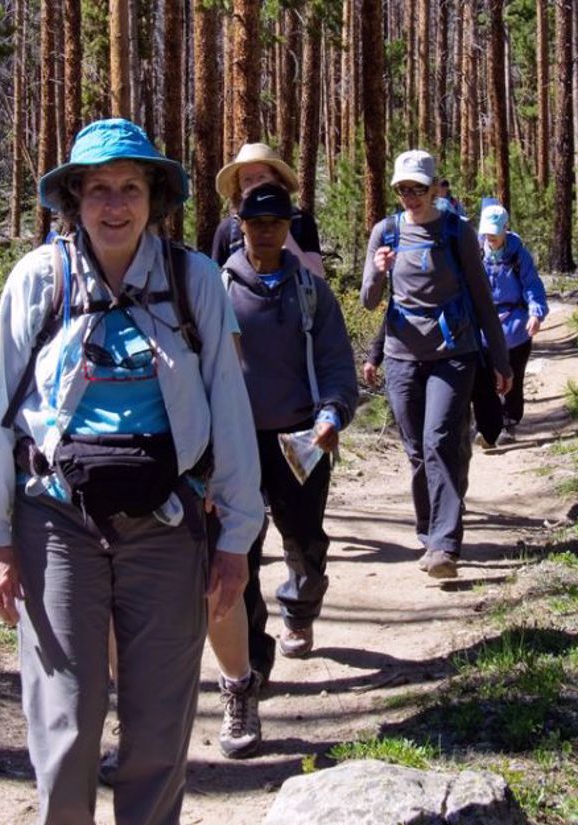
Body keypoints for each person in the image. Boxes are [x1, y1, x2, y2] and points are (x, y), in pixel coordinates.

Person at [0, 118, 263, 825]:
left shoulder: (194, 281)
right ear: (73, 199)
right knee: (66, 727)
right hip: (56, 523)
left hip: (168, 526)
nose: (114, 204)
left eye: (129, 187)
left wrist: (236, 539)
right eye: (97, 188)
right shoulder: (39, 279)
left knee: (159, 731)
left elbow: (230, 407)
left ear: (153, 197)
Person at [209, 182, 359, 757]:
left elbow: (336, 363)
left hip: (302, 438)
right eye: (257, 221)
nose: (267, 231)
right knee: (237, 557)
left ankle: (300, 604)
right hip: (235, 445)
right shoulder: (215, 290)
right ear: (239, 224)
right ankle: (249, 664)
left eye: (277, 222)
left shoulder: (311, 292)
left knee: (302, 539)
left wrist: (333, 413)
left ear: (289, 227)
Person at [361, 150, 511, 580]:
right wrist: (377, 270)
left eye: (418, 189)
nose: (411, 197)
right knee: (416, 450)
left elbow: (482, 296)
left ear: (433, 188)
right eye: (403, 190)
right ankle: (429, 533)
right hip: (402, 357)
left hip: (454, 353)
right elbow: (369, 301)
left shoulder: (456, 231)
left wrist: (499, 358)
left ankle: (445, 544)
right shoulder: (385, 233)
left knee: (440, 440)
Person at [475, 204, 548, 444]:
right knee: (484, 381)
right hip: (484, 328)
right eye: (487, 232)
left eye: (495, 232)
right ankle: (486, 428)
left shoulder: (519, 256)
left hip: (516, 329)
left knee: (512, 379)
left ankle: (509, 423)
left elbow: (532, 287)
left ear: (506, 228)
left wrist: (535, 314)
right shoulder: (475, 253)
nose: (490, 237)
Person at [208, 142, 327, 278]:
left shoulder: (300, 222)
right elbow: (215, 285)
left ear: (277, 180)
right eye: (247, 180)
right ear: (239, 188)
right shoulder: (228, 231)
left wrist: (284, 236)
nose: (255, 186)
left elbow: (318, 277)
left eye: (261, 177)